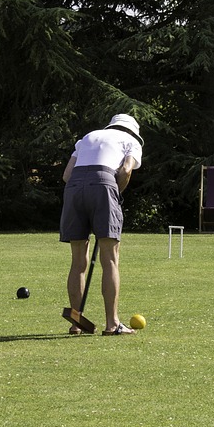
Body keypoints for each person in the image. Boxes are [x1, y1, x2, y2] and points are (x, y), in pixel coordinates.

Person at [60, 113, 143, 335]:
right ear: (132, 131)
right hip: (105, 184)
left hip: (74, 188)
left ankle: (75, 323)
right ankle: (112, 324)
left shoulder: (88, 137)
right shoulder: (131, 141)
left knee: (78, 261)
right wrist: (113, 194)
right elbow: (125, 171)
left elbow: (67, 175)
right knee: (110, 260)